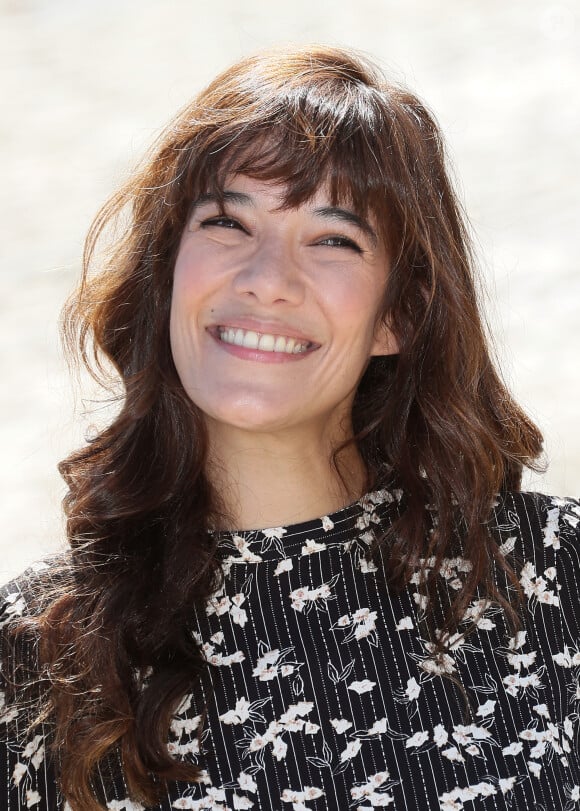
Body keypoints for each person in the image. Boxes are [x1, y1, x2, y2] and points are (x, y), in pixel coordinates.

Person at [1, 44, 579, 811]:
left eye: (334, 238)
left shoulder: (553, 575)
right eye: (227, 222)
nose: (267, 279)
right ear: (167, 273)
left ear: (399, 314)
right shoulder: (38, 649)